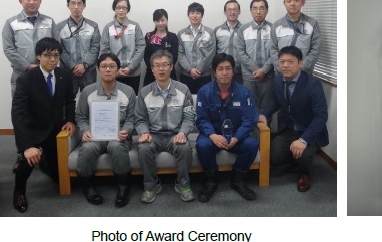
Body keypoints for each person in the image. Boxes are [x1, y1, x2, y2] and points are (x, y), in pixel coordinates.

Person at [11, 37, 76, 213]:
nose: (53, 59)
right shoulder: (26, 79)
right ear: (39, 56)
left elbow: (70, 101)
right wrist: (26, 146)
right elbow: (18, 114)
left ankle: (45, 162)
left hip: (56, 128)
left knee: (58, 176)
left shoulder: (64, 75)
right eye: (48, 55)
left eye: (56, 55)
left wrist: (70, 120)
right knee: (28, 160)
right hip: (34, 129)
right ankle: (19, 191)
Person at [259, 46, 328, 192]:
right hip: (289, 128)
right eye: (282, 62)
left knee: (303, 155)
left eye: (290, 62)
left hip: (309, 131)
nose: (285, 65)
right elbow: (275, 102)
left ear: (300, 63)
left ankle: (305, 173)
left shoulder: (313, 85)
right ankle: (294, 158)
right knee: (274, 157)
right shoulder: (278, 81)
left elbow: (321, 116)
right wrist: (264, 114)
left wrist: (304, 140)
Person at [195, 53, 258, 202]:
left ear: (233, 71)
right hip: (214, 134)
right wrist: (212, 135)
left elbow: (250, 120)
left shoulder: (244, 92)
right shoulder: (204, 92)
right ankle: (212, 180)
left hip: (236, 134)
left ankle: (237, 180)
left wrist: (237, 138)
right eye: (220, 69)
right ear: (214, 72)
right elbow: (201, 119)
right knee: (202, 145)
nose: (224, 72)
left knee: (252, 144)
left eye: (228, 68)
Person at [76, 53, 136, 207]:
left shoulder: (128, 91)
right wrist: (85, 131)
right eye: (104, 66)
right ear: (98, 70)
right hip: (95, 135)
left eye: (112, 66)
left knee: (116, 146)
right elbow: (81, 117)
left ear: (117, 70)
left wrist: (127, 131)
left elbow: (131, 118)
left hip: (119, 135)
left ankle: (123, 186)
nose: (108, 70)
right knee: (88, 148)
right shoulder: (87, 91)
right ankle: (88, 186)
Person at [135, 50, 196, 203]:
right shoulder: (144, 92)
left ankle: (183, 184)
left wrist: (183, 133)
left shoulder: (183, 90)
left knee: (184, 148)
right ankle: (151, 185)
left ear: (171, 67)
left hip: (175, 134)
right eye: (157, 65)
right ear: (152, 69)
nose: (161, 69)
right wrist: (144, 132)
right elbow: (140, 119)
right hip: (153, 135)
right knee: (143, 148)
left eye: (164, 65)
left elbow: (189, 117)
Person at [3, 0, 58, 96]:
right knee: (21, 108)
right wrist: (27, 65)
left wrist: (46, 64)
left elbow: (57, 45)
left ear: (40, 1)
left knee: (45, 108)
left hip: (46, 72)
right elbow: (8, 48)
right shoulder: (11, 23)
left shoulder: (49, 21)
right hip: (21, 73)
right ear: (21, 1)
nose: (32, 2)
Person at [55, 0, 101, 94]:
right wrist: (73, 66)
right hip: (67, 71)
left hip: (88, 72)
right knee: (67, 103)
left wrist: (84, 65)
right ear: (68, 6)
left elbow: (95, 47)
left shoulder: (93, 26)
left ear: (84, 6)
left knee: (90, 101)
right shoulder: (59, 27)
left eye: (79, 3)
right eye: (73, 3)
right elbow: (59, 50)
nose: (76, 7)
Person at [100, 0, 146, 94]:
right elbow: (104, 50)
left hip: (133, 72)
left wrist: (131, 67)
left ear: (128, 9)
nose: (121, 10)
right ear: (114, 9)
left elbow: (141, 47)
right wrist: (115, 68)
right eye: (118, 7)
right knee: (116, 100)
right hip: (114, 73)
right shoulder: (108, 28)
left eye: (124, 8)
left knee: (132, 99)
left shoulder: (135, 26)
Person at [270, 0, 321, 74]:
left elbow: (315, 50)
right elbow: (273, 49)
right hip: (281, 73)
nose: (292, 4)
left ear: (303, 2)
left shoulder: (312, 23)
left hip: (304, 73)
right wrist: (282, 68)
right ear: (284, 3)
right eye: (289, 1)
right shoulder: (276, 25)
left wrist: (301, 68)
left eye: (296, 0)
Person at [236, 0, 274, 109]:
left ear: (267, 10)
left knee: (266, 108)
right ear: (250, 10)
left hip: (268, 75)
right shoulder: (243, 29)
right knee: (249, 106)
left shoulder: (273, 29)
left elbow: (275, 52)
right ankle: (252, 127)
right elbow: (241, 52)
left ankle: (266, 127)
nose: (258, 11)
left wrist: (264, 70)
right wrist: (255, 69)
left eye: (262, 8)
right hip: (249, 76)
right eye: (255, 8)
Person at [177, 2, 216, 94]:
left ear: (202, 15)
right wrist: (190, 69)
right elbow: (180, 54)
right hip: (186, 75)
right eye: (192, 12)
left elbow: (210, 54)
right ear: (188, 14)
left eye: (198, 13)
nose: (195, 15)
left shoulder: (209, 32)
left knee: (205, 102)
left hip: (205, 75)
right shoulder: (181, 33)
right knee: (187, 103)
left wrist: (199, 69)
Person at [143, 9, 179, 87]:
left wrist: (166, 68)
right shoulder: (149, 36)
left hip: (169, 72)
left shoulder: (173, 37)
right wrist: (154, 69)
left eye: (162, 20)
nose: (160, 23)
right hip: (151, 73)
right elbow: (146, 56)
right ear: (154, 22)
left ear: (167, 20)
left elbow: (174, 57)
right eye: (157, 21)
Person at [214, 0, 243, 84]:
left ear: (239, 12)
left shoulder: (245, 30)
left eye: (235, 9)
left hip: (240, 71)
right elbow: (214, 51)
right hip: (222, 71)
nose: (232, 12)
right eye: (229, 9)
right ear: (225, 12)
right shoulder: (217, 30)